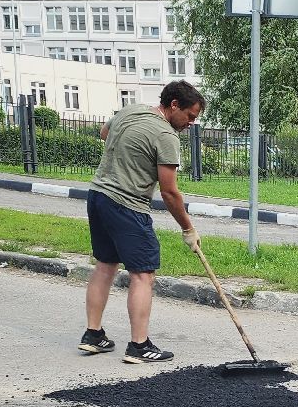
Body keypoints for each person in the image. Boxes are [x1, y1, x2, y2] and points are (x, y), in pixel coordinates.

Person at [79, 80, 205, 364]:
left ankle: (93, 335)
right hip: (127, 205)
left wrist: (130, 152)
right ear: (174, 105)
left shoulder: (131, 110)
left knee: (105, 264)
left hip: (97, 196)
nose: (190, 124)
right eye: (190, 116)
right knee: (143, 274)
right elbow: (170, 192)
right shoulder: (165, 135)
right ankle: (139, 346)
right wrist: (188, 228)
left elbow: (104, 132)